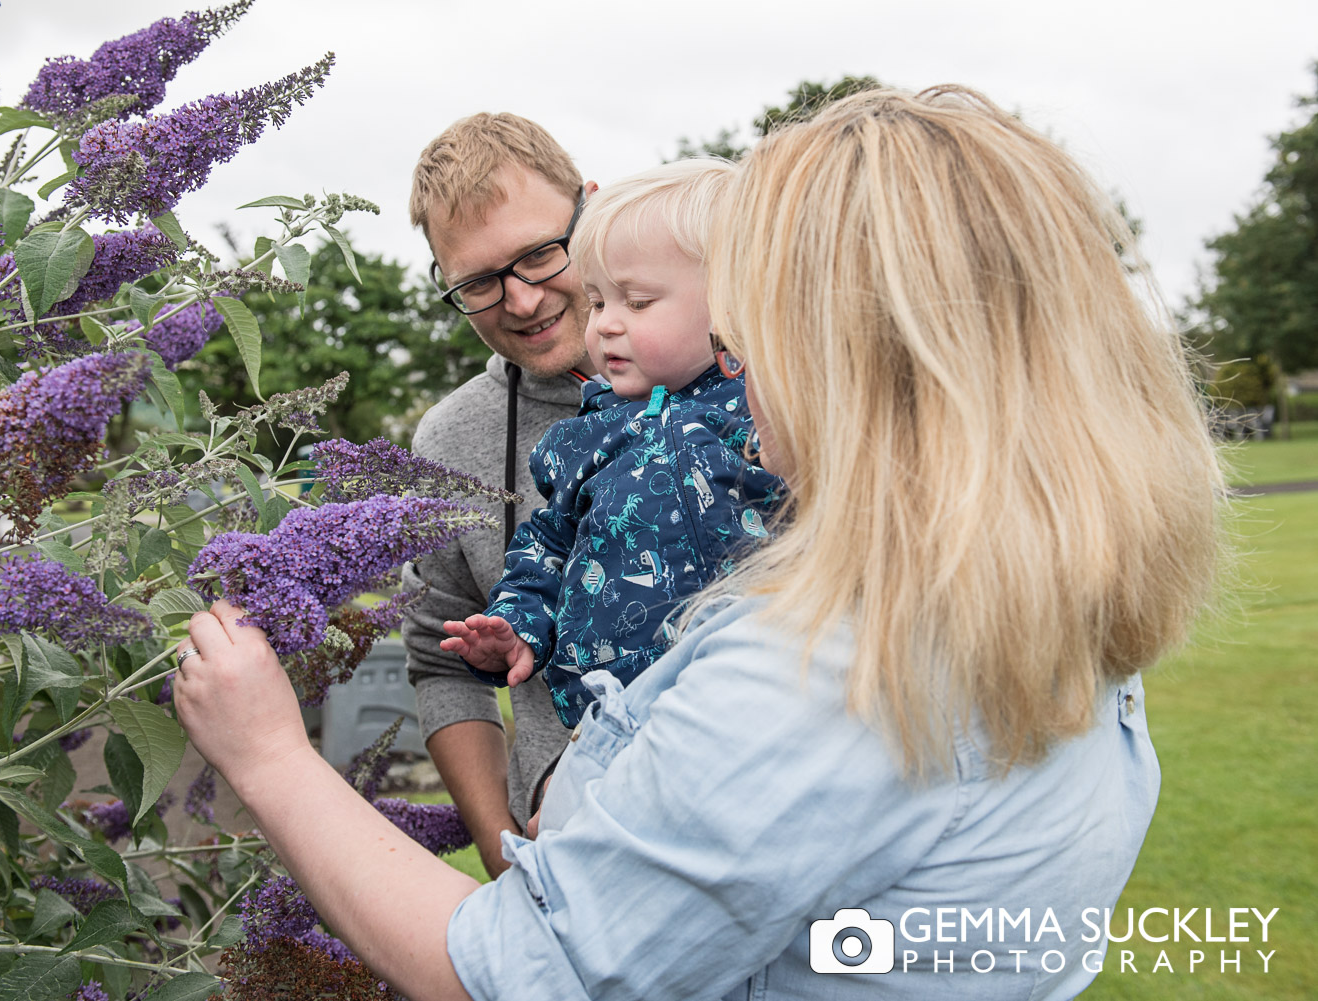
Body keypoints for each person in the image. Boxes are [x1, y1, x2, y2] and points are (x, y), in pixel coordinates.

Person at [174, 86, 1225, 1000]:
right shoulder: (1033, 581)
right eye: (480, 282)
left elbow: (518, 970)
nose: (729, 365)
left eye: (756, 320)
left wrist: (269, 752)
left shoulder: (821, 673)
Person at [442, 159, 783, 728]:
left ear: (730, 300)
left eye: (638, 302)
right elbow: (545, 547)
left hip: (754, 698)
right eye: (598, 301)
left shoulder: (771, 406)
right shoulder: (582, 437)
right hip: (611, 718)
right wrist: (517, 624)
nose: (603, 325)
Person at [400, 113, 597, 877]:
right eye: (479, 282)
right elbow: (441, 662)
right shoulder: (450, 443)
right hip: (575, 873)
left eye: (540, 255)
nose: (519, 301)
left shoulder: (751, 369)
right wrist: (499, 845)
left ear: (593, 209)